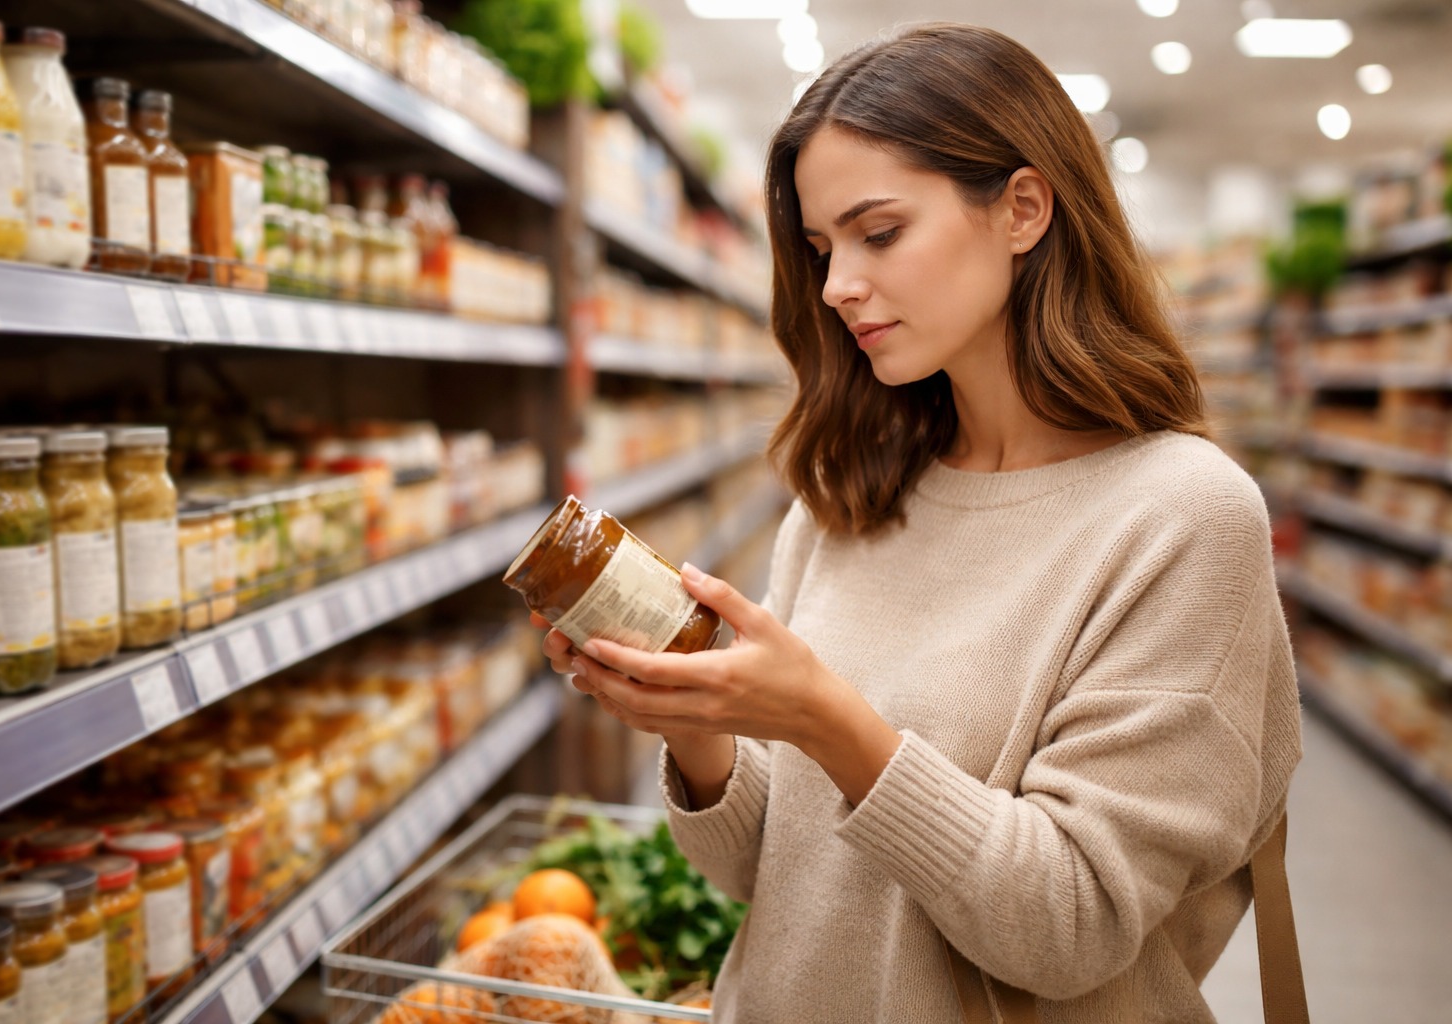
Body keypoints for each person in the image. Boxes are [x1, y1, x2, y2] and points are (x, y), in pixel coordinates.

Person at [535, 22, 1302, 1023]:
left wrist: (827, 719)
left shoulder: (1182, 516)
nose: (836, 287)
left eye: (880, 233)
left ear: (1023, 209)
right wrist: (699, 728)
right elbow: (770, 872)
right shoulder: (851, 495)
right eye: (821, 249)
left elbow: (1070, 928)